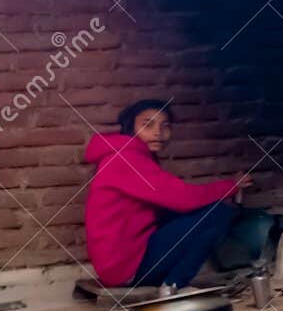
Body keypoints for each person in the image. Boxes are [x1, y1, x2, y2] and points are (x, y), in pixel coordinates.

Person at [82, 98, 255, 289]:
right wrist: (231, 186)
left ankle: (170, 285)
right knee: (216, 212)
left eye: (165, 126)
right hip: (126, 268)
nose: (158, 132)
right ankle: (172, 286)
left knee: (191, 213)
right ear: (130, 128)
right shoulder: (125, 159)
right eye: (148, 125)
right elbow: (184, 199)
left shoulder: (130, 155)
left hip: (125, 261)